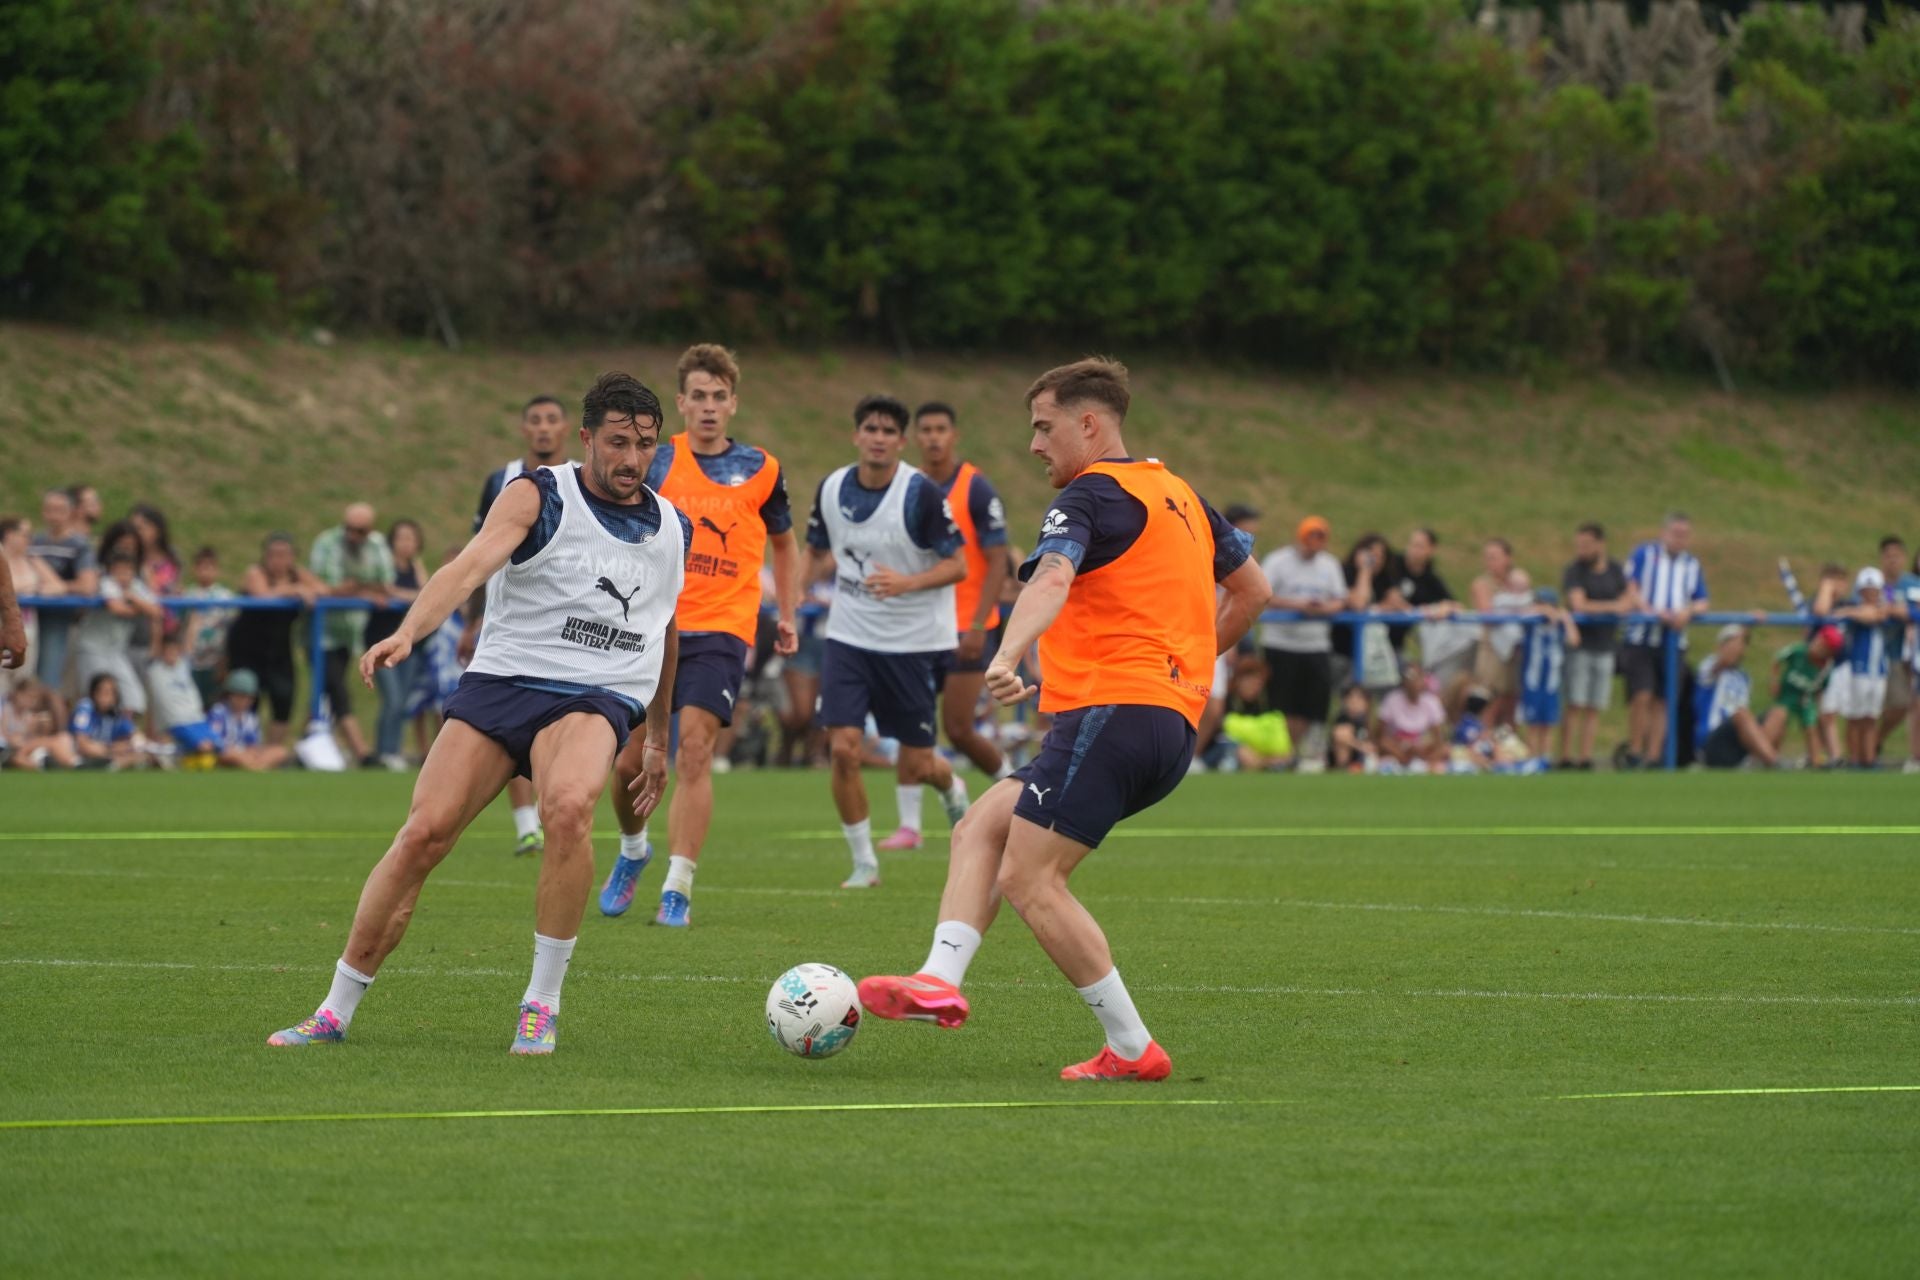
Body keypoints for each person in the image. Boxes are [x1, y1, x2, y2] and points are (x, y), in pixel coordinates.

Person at [857, 359, 1267, 1082]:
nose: (1035, 444)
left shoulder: (1089, 495)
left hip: (1114, 710)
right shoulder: (1177, 492)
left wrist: (1008, 652)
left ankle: (1134, 1049)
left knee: (1030, 877)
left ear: (1089, 423)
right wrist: (1186, 673)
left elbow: (1051, 576)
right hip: (1162, 723)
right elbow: (1253, 589)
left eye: (1044, 427)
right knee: (982, 824)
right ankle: (938, 978)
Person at [267, 372, 687, 1056]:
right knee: (423, 834)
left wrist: (660, 736)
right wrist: (410, 630)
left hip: (596, 691)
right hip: (504, 679)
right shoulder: (538, 493)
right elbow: (467, 568)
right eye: (617, 442)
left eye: (644, 444)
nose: (631, 458)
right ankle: (334, 1011)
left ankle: (540, 1005)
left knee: (571, 807)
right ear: (587, 439)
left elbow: (668, 629)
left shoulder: (672, 527)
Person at [601, 343, 801, 926]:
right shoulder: (657, 462)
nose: (709, 407)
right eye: (699, 397)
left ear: (732, 403)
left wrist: (785, 610)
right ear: (682, 403)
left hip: (723, 629)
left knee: (693, 752)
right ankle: (634, 851)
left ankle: (678, 887)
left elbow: (785, 542)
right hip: (650, 625)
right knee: (627, 764)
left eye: (720, 397)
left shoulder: (763, 469)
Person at [805, 393, 972, 889]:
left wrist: (906, 582)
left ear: (901, 442)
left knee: (920, 764)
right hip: (849, 637)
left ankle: (951, 784)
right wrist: (793, 598)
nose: (878, 439)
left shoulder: (919, 493)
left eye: (888, 432)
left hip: (912, 642)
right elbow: (814, 552)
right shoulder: (832, 488)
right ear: (857, 435)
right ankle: (864, 863)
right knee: (842, 749)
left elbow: (958, 564)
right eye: (870, 429)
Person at [874, 401, 1013, 852]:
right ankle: (910, 826)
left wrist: (978, 625)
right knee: (908, 723)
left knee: (958, 727)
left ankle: (1018, 790)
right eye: (926, 430)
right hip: (917, 625)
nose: (933, 437)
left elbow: (997, 561)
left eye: (941, 430)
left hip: (965, 626)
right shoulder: (906, 487)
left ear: (954, 436)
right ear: (915, 438)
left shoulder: (976, 489)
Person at [467, 395, 571, 856]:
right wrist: (473, 620)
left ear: (567, 428)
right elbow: (477, 553)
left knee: (559, 721)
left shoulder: (583, 480)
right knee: (506, 719)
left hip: (563, 621)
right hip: (506, 621)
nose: (544, 428)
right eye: (536, 421)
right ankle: (528, 825)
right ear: (524, 429)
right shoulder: (501, 480)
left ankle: (552, 815)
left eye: (552, 420)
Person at [1260, 515, 1358, 767]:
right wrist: (1297, 605)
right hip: (1281, 643)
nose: (1314, 544)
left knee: (1311, 704)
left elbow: (1340, 599)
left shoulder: (1329, 565)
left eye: (1320, 539)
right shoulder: (1278, 561)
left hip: (1315, 644)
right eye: (1311, 538)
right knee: (1282, 703)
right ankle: (1283, 753)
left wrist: (1324, 609)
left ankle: (1297, 752)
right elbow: (1264, 593)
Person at [1620, 512, 1709, 768]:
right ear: (1664, 533)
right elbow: (1631, 588)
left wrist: (1688, 611)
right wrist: (1650, 611)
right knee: (1642, 694)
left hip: (1674, 642)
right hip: (1642, 638)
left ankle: (1654, 756)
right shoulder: (1644, 555)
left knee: (1664, 699)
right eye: (1676, 534)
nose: (1680, 539)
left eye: (1685, 535)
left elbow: (1702, 600)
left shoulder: (1691, 564)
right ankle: (1634, 751)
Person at [309, 503, 395, 766]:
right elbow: (328, 587)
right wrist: (363, 589)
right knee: (337, 688)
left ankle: (312, 744)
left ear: (370, 530)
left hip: (351, 633)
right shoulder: (326, 543)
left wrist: (355, 588)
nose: (352, 536)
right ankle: (362, 752)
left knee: (325, 688)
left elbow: (386, 582)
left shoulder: (378, 545)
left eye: (359, 531)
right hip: (321, 632)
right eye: (348, 529)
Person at [225, 534, 322, 746]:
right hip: (247, 647)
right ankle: (243, 747)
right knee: (247, 698)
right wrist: (294, 590)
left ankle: (270, 753)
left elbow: (323, 590)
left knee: (283, 699)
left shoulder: (299, 575)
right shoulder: (255, 573)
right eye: (274, 555)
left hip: (278, 649)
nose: (279, 560)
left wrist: (305, 589)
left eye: (285, 555)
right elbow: (262, 595)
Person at [1557, 522, 1635, 769]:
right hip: (1580, 646)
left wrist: (1616, 605)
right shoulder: (1575, 571)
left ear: (1600, 544)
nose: (1582, 550)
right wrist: (1612, 607)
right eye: (1579, 545)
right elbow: (1579, 604)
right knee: (1575, 703)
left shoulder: (1615, 570)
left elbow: (1629, 597)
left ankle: (1585, 757)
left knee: (1594, 705)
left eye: (1587, 545)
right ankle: (1566, 756)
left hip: (1605, 646)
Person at [366, 519, 427, 770]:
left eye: (411, 538)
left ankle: (393, 750)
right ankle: (383, 751)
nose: (406, 544)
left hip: (408, 644)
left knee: (402, 700)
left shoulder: (416, 566)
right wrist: (407, 596)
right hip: (382, 641)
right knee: (391, 698)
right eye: (401, 538)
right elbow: (385, 589)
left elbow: (426, 591)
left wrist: (405, 596)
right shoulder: (384, 565)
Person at [74, 552, 162, 718]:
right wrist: (140, 608)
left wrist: (133, 599)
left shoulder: (136, 587)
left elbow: (156, 612)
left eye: (127, 571)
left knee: (134, 698)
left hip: (115, 652)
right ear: (111, 571)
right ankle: (90, 735)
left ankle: (121, 733)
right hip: (92, 649)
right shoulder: (107, 583)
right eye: (119, 571)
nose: (123, 576)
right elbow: (117, 608)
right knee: (96, 697)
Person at [29, 488, 97, 692]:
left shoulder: (79, 545)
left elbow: (88, 585)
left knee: (50, 680)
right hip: (31, 619)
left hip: (63, 622)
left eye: (60, 510)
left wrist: (62, 588)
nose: (54, 515)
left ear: (71, 512)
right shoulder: (34, 542)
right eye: (50, 510)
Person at [1469, 538, 1533, 728]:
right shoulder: (1482, 584)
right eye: (1487, 558)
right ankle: (1485, 741)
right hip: (1491, 650)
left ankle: (1509, 745)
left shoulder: (1517, 582)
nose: (1490, 562)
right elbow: (1487, 613)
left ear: (1508, 558)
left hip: (1514, 651)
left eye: (1495, 557)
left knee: (1511, 700)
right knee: (1490, 698)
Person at [1829, 567, 1890, 767]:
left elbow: (1875, 616)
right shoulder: (1855, 609)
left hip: (1878, 669)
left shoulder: (1880, 610)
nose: (1871, 594)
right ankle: (1855, 758)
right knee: (1855, 716)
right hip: (1859, 667)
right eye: (1867, 589)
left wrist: (1851, 612)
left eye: (1875, 590)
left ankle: (1869, 758)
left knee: (1871, 717)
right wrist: (1853, 612)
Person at [1694, 625, 1778, 769]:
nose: (1739, 648)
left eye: (1742, 644)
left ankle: (1757, 761)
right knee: (1740, 714)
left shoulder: (1744, 677)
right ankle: (1775, 763)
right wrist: (1748, 624)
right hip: (1711, 740)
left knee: (1777, 713)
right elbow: (1724, 661)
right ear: (1721, 646)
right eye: (1734, 643)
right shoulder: (1709, 665)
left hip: (1737, 739)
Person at [2, 516, 64, 694]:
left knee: (22, 681)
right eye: (25, 534)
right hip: (4, 627)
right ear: (9, 535)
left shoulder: (32, 560)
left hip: (28, 629)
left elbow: (58, 586)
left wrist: (34, 588)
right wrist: (26, 588)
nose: (29, 540)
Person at [1517, 587, 1579, 762]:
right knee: (1533, 724)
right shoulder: (1531, 622)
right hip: (1532, 681)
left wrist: (1565, 619)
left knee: (1548, 724)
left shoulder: (1558, 625)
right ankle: (1531, 759)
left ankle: (1545, 759)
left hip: (1551, 682)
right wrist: (1542, 610)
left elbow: (1574, 640)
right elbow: (1522, 614)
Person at [147, 623, 219, 768]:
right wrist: (155, 618)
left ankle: (184, 758)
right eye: (168, 650)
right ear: (161, 651)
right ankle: (181, 757)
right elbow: (155, 636)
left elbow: (191, 637)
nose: (172, 654)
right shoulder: (155, 669)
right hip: (177, 723)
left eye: (175, 650)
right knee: (204, 747)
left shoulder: (183, 666)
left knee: (218, 745)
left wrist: (194, 612)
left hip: (196, 719)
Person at [1871, 536, 1917, 766]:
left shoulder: (1912, 584)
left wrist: (1903, 611)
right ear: (1882, 559)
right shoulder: (1873, 583)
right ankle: (1864, 752)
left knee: (1901, 704)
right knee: (1866, 707)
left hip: (1902, 654)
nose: (1892, 560)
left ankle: (1875, 741)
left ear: (1903, 558)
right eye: (1888, 556)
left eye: (1897, 556)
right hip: (1873, 651)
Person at [1767, 625, 1840, 767]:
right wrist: (1774, 681)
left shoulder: (1825, 670)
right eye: (1818, 641)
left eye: (1823, 647)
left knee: (1810, 727)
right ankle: (1769, 756)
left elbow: (1820, 691)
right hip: (1786, 696)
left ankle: (1816, 761)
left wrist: (1819, 710)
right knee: (1778, 722)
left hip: (1805, 700)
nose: (1818, 646)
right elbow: (1777, 659)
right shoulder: (1799, 651)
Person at [183, 546, 238, 706]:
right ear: (194, 569)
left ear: (217, 570)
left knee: (213, 702)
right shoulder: (188, 595)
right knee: (192, 703)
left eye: (210, 567)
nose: (205, 571)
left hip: (215, 660)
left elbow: (230, 627)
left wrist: (224, 661)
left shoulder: (226, 597)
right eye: (201, 567)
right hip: (192, 660)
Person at [208, 669, 292, 771]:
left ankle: (255, 766)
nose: (245, 701)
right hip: (227, 752)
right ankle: (256, 767)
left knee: (281, 751)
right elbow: (214, 741)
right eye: (241, 696)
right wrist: (238, 751)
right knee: (231, 754)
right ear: (230, 695)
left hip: (246, 753)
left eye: (249, 697)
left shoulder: (250, 718)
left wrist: (251, 752)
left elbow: (254, 744)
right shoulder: (218, 713)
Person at [1376, 661, 1449, 770]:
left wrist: (1420, 748)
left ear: (1423, 680)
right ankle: (1407, 763)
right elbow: (1380, 736)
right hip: (1399, 748)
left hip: (1422, 748)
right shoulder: (1392, 699)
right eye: (1411, 677)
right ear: (1404, 680)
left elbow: (1438, 738)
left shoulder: (1432, 701)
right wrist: (1402, 750)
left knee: (1445, 749)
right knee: (1384, 744)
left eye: (1418, 678)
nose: (1414, 683)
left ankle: (1423, 763)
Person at [70, 672, 147, 768]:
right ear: (94, 693)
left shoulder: (115, 714)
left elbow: (136, 736)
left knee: (140, 754)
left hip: (106, 754)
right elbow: (82, 745)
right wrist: (112, 748)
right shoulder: (85, 707)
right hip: (78, 754)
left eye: (112, 693)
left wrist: (134, 744)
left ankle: (112, 764)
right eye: (104, 692)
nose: (107, 697)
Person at [1, 678, 79, 769]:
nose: (30, 701)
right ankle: (73, 762)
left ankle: (46, 763)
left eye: (33, 698)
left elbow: (29, 736)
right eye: (28, 696)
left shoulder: (29, 715)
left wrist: (41, 727)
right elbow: (3, 732)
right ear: (18, 694)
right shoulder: (6, 709)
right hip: (7, 747)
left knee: (59, 739)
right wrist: (12, 739)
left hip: (21, 747)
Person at [1327, 684, 1376, 772]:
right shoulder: (1343, 719)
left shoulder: (1365, 721)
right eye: (1351, 698)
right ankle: (1342, 769)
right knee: (1344, 738)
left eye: (1359, 698)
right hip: (1344, 761)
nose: (1354, 702)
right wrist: (1360, 746)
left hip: (1362, 760)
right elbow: (1339, 735)